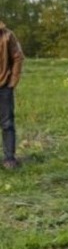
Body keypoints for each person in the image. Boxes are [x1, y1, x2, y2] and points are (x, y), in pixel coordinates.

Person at [0, 20, 24, 170]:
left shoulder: (7, 35)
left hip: (3, 86)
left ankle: (9, 158)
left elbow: (18, 57)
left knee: (7, 124)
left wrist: (12, 82)